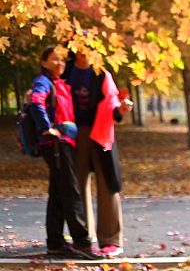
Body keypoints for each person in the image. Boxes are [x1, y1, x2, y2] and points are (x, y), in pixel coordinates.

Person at [31, 46, 99, 260]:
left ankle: (55, 243)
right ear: (44, 62)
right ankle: (82, 243)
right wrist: (46, 128)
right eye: (54, 59)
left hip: (64, 143)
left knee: (59, 193)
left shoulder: (60, 83)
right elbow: (36, 102)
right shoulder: (43, 82)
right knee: (71, 191)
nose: (59, 63)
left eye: (61, 59)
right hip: (55, 144)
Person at [66, 49, 132, 258]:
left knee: (107, 184)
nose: (86, 51)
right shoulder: (66, 72)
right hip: (74, 134)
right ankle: (84, 237)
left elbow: (112, 104)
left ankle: (111, 239)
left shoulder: (102, 74)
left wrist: (120, 110)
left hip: (101, 133)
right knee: (77, 185)